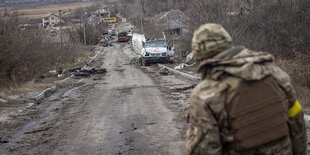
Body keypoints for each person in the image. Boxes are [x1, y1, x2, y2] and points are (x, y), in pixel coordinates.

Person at [186, 23, 307, 155]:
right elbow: (298, 124)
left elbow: (203, 149)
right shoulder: (275, 74)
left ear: (200, 57)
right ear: (229, 44)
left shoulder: (204, 95)